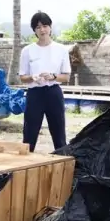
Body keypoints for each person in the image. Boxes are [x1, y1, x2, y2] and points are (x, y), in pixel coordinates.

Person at [19, 11, 71, 151]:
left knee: (59, 133)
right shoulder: (27, 50)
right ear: (34, 31)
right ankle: (25, 167)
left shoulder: (61, 50)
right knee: (29, 134)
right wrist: (32, 77)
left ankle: (62, 163)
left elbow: (66, 76)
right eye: (38, 27)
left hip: (53, 93)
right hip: (34, 94)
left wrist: (53, 76)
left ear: (50, 27)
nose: (42, 30)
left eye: (45, 26)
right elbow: (22, 77)